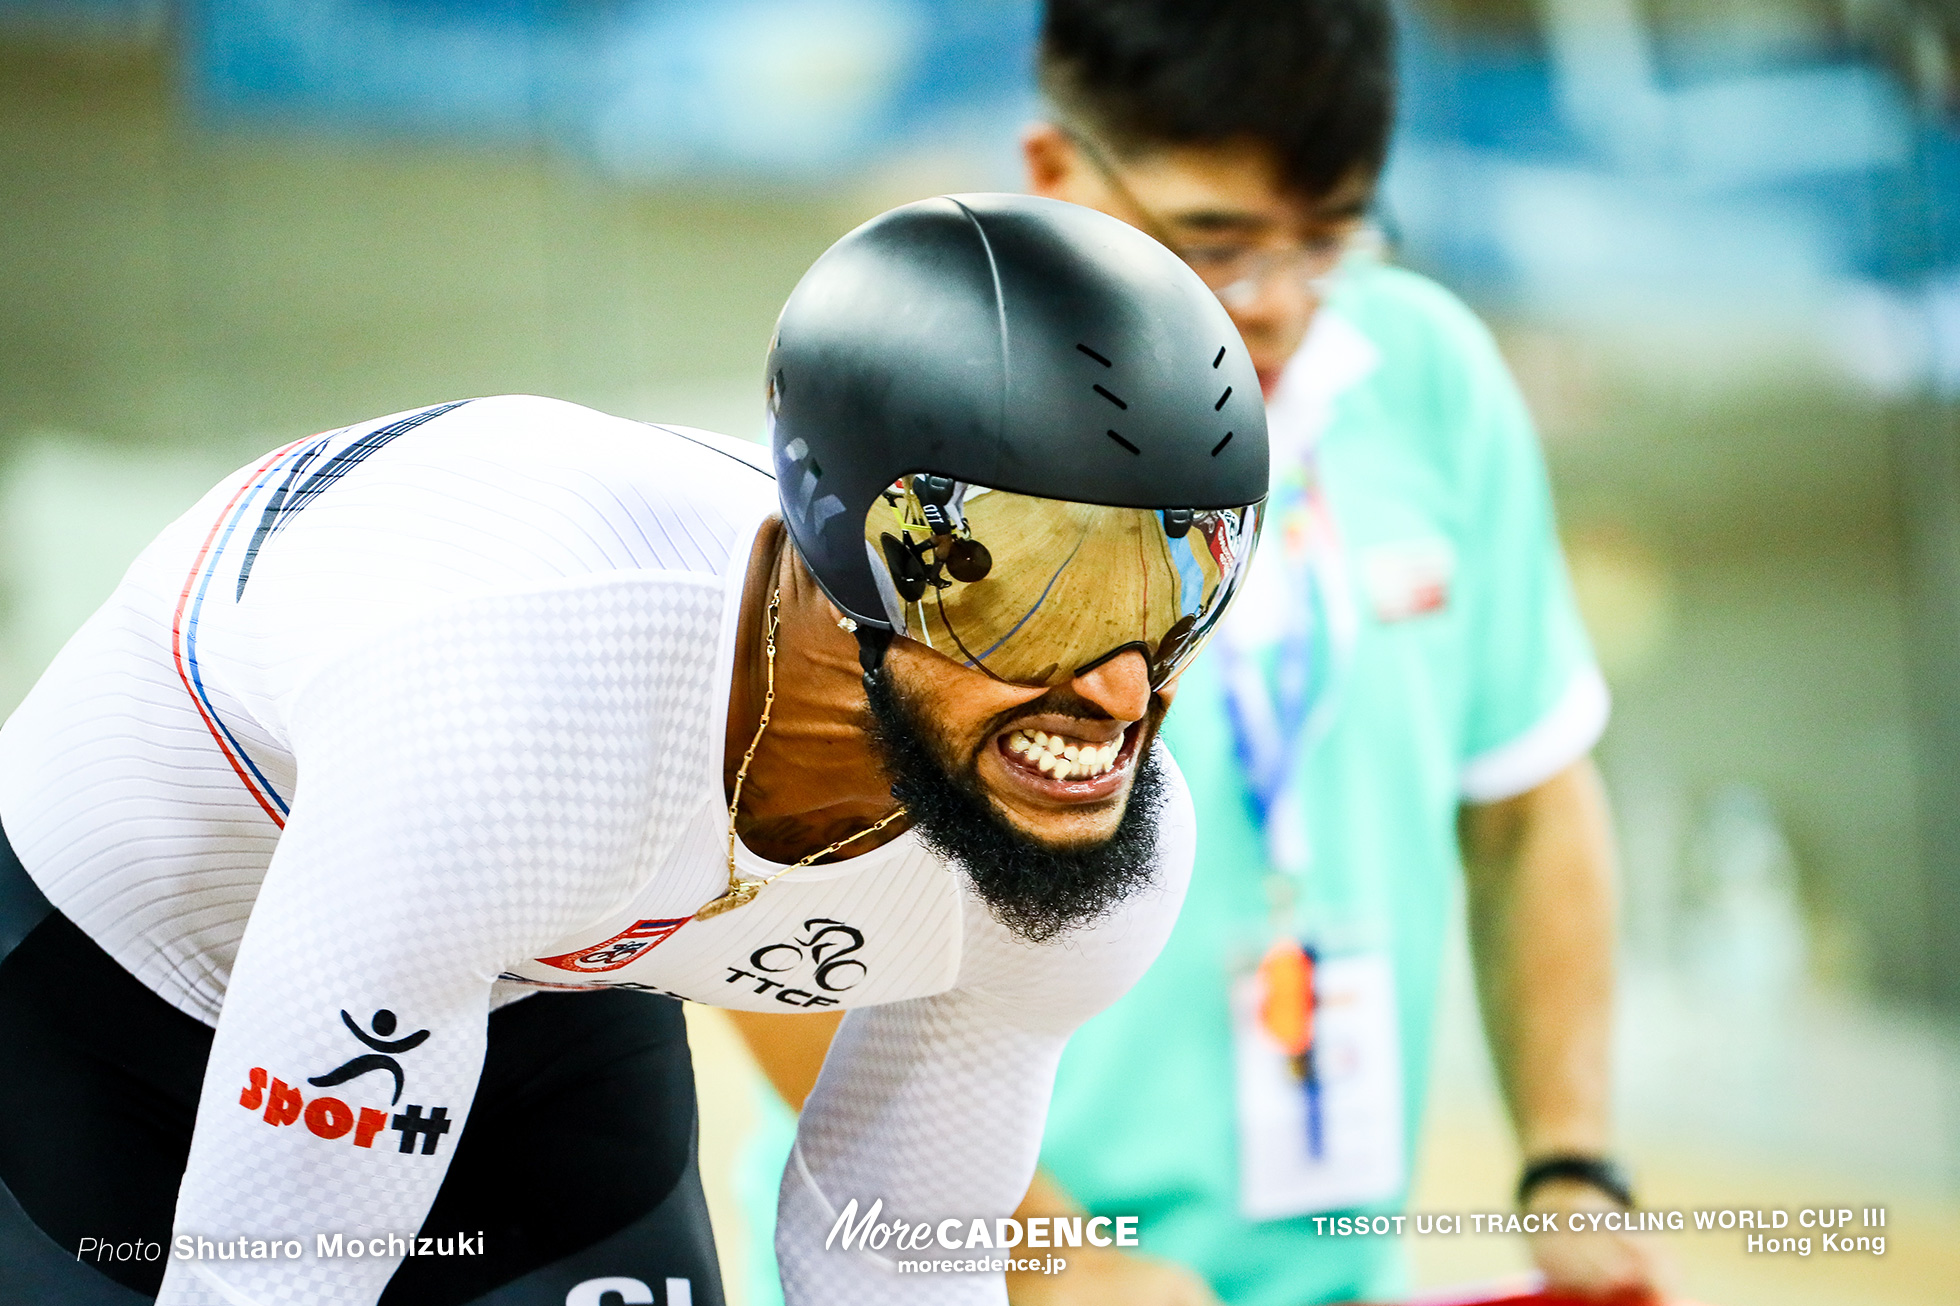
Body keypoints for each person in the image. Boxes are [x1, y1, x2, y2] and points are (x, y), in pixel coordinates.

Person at [0, 193, 1268, 1306]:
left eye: (1179, 586)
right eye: (1045, 594)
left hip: (533, 972)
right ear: (841, 563)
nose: (1118, 688)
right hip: (103, 988)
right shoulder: (516, 701)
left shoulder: (1091, 850)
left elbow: (898, 1263)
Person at [734, 3, 1667, 1304]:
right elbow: (768, 915)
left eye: (1329, 235)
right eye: (1218, 242)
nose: (1276, 304)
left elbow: (1530, 794)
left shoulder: (1431, 378)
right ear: (1058, 171)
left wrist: (1571, 1160)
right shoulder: (918, 405)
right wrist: (1054, 1263)